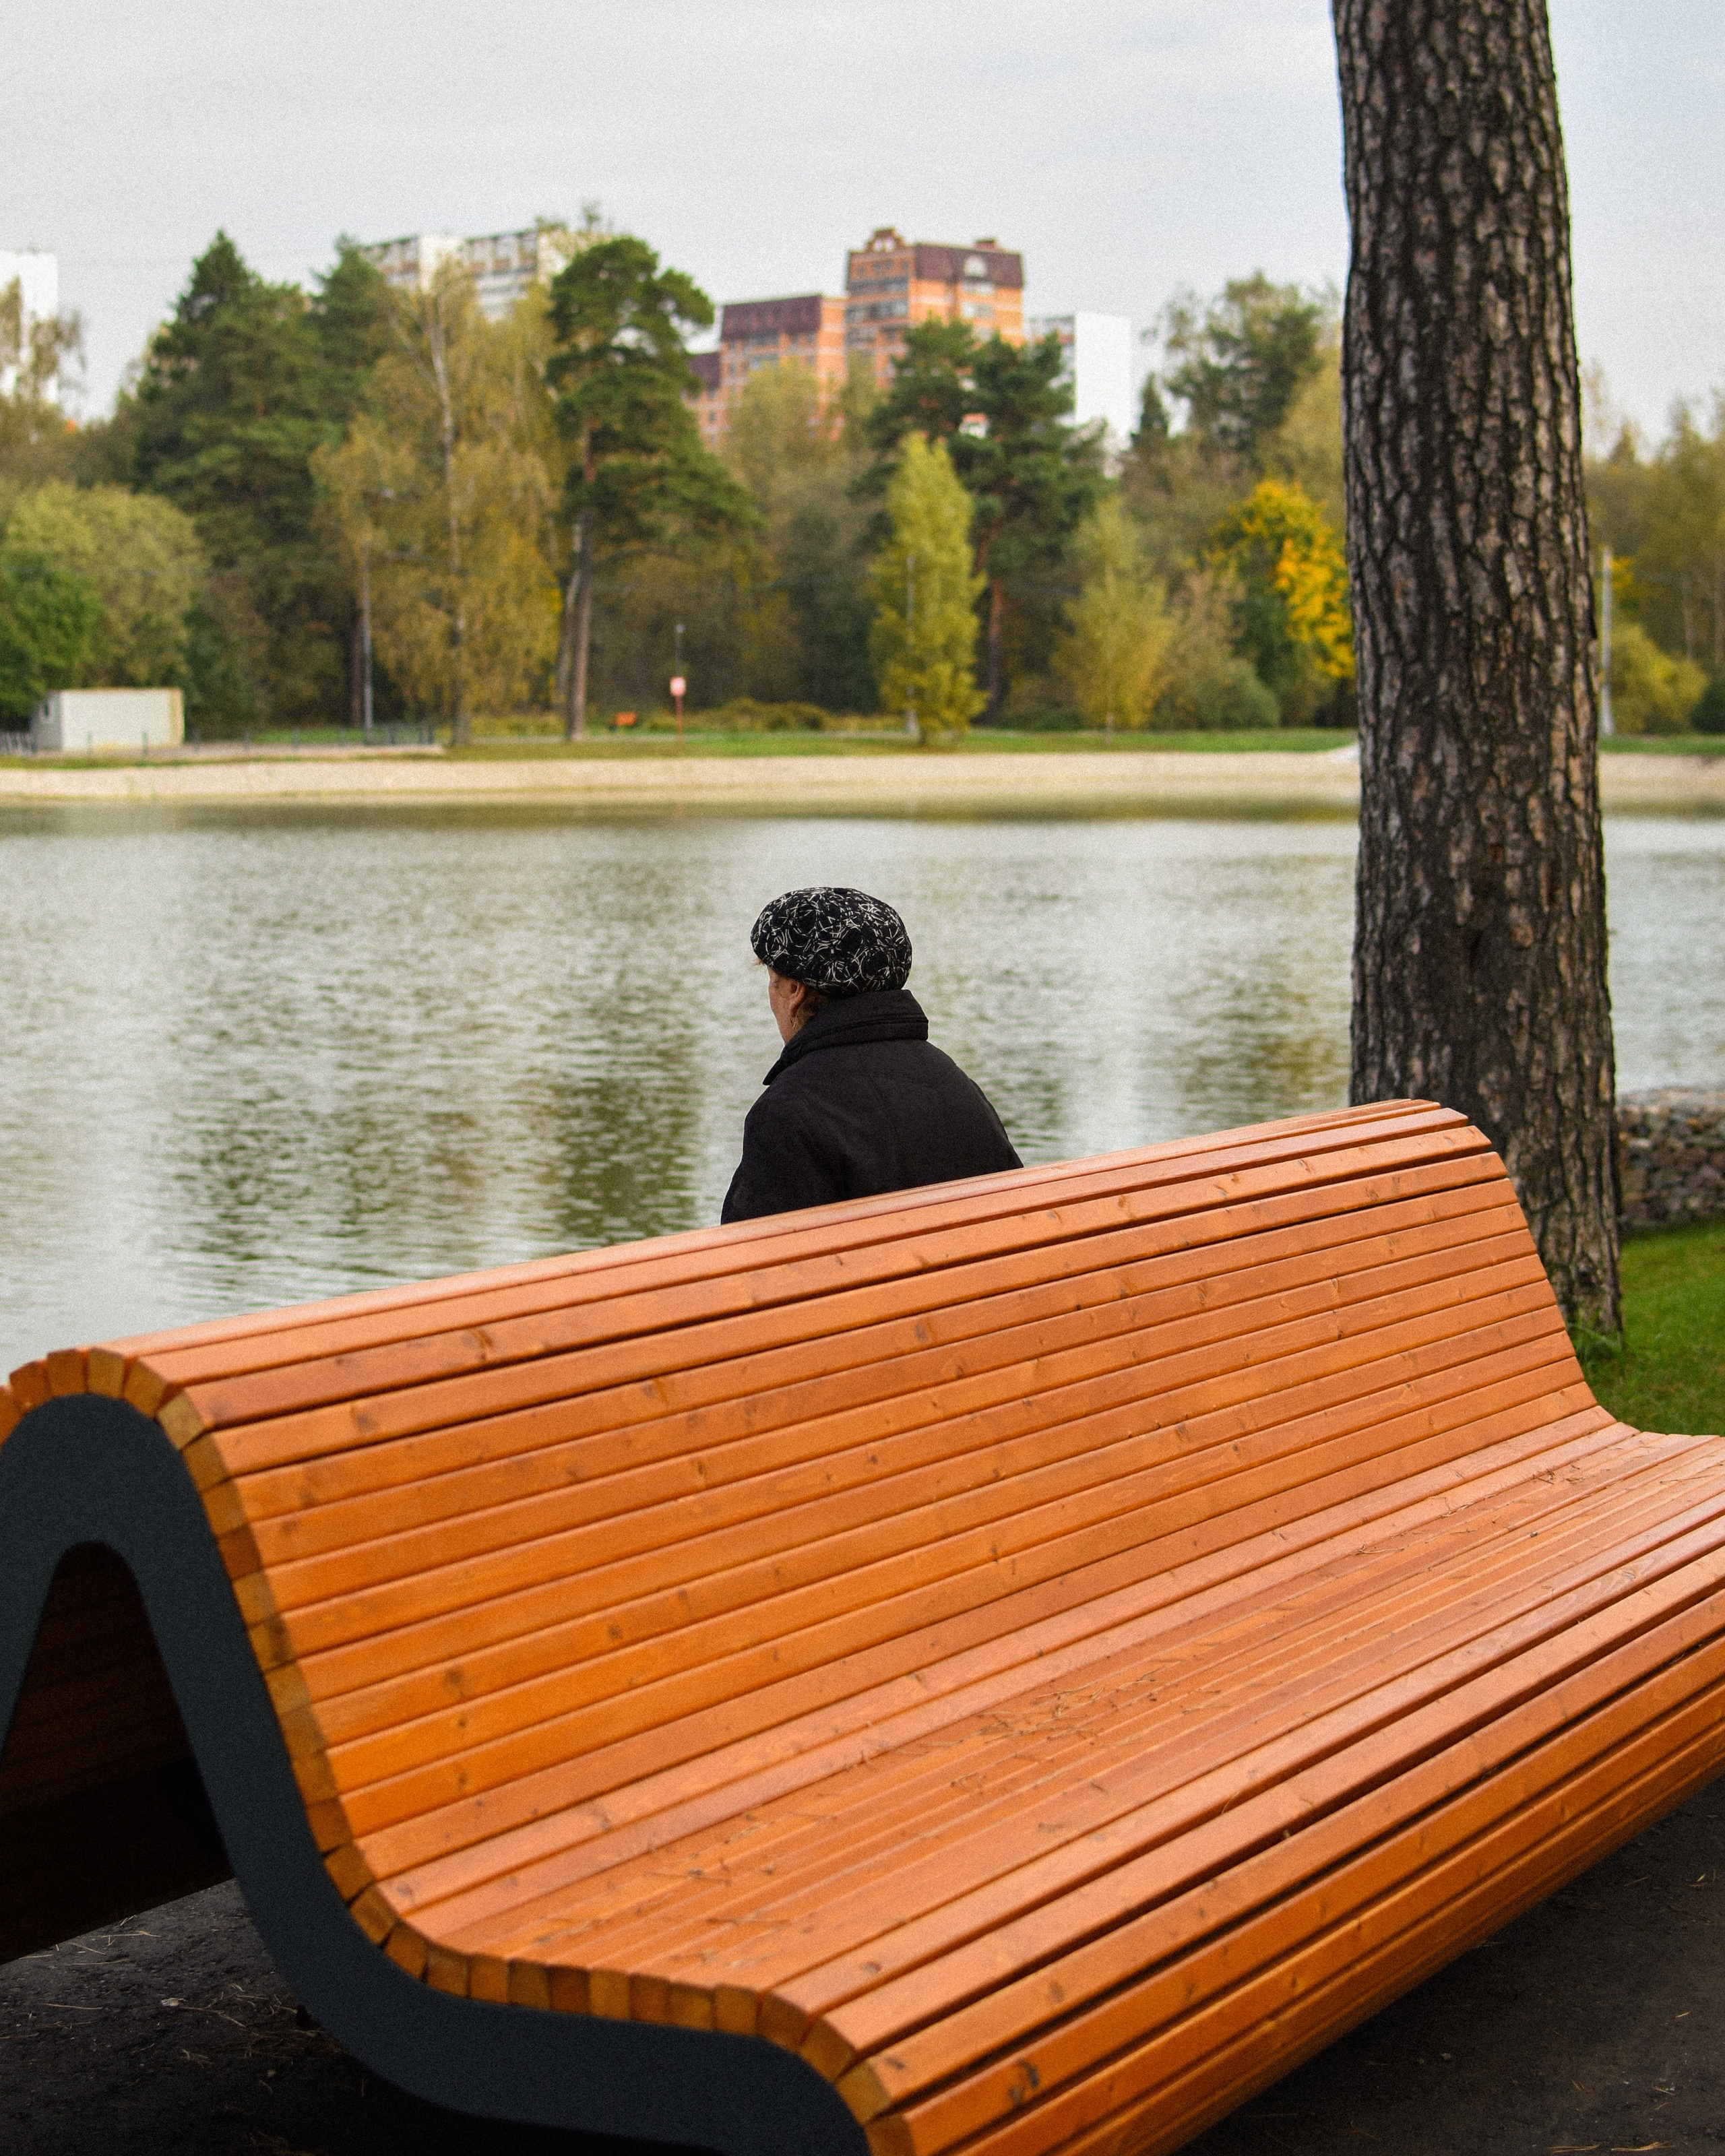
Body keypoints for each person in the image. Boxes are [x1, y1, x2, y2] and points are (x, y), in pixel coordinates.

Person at [722, 886, 1022, 1224]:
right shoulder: (953, 1084)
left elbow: (754, 1251)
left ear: (794, 991)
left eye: (773, 981)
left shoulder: (786, 1111)